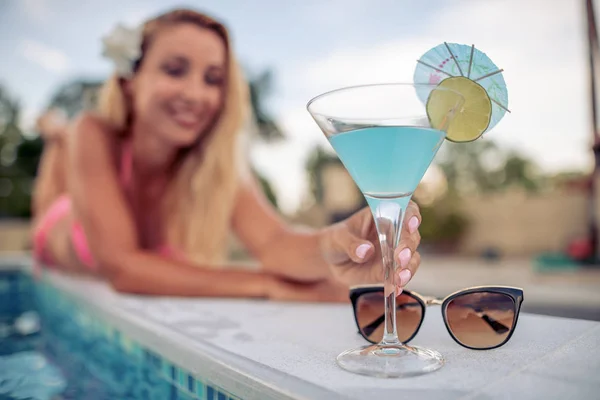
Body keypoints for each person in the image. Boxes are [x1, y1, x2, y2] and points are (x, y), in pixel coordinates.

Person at [31, 8, 423, 302]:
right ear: (129, 82)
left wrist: (334, 242)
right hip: (58, 235)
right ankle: (55, 140)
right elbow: (122, 267)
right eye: (174, 69)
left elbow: (274, 243)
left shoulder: (215, 165)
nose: (195, 94)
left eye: (213, 79)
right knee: (53, 189)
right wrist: (265, 285)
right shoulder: (93, 132)